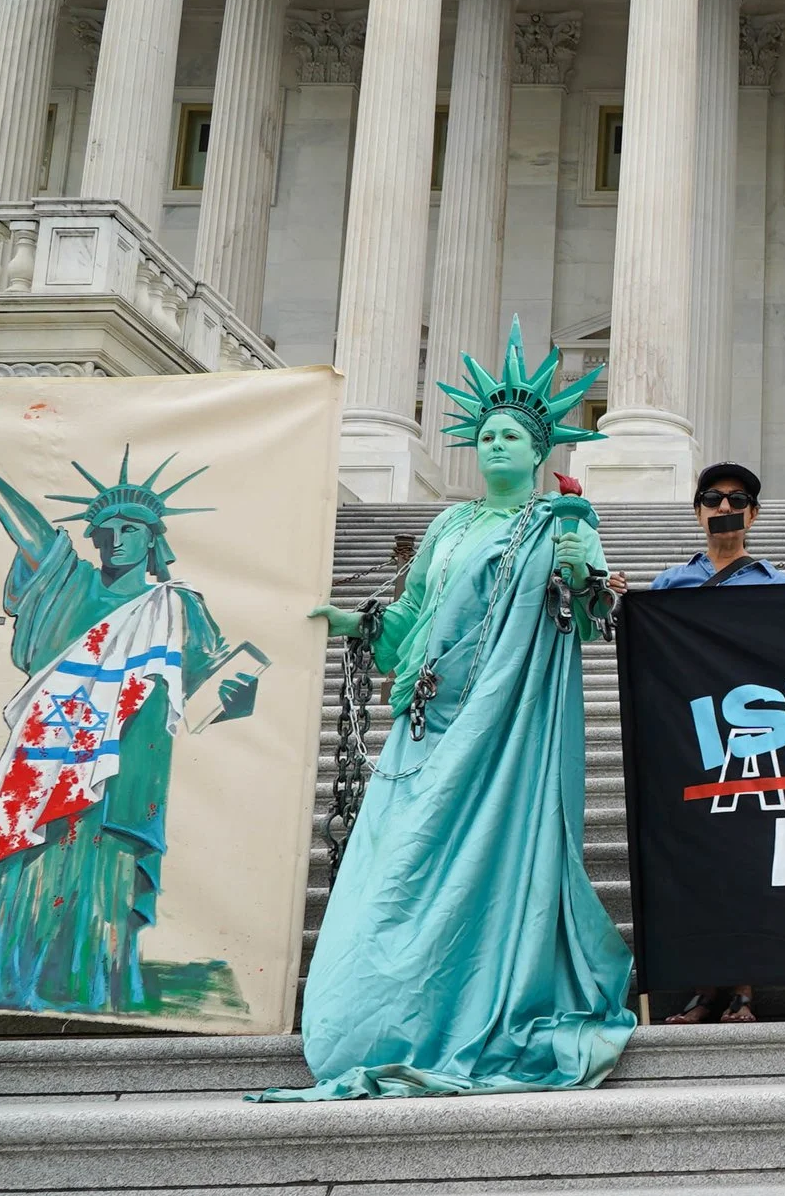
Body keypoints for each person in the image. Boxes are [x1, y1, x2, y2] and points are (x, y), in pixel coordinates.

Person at [256, 322, 635, 1100]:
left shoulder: (563, 521)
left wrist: (579, 560)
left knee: (486, 870)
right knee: (396, 865)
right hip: (426, 725)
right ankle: (373, 1015)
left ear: (539, 452)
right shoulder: (447, 526)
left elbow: (596, 611)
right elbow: (413, 617)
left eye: (512, 436)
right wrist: (358, 623)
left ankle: (471, 1004)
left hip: (506, 732)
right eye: (488, 433)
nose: (496, 445)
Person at [0, 448, 263, 1016]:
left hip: (129, 767)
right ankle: (15, 982)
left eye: (130, 529)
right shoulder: (71, 588)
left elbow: (212, 687)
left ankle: (94, 986)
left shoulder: (177, 607)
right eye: (103, 531)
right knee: (32, 864)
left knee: (105, 874)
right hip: (49, 755)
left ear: (153, 539)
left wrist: (243, 696)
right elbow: (37, 535)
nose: (114, 540)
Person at [609, 461, 785, 1025]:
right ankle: (702, 991)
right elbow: (641, 645)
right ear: (698, 511)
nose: (723, 507)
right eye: (712, 498)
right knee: (694, 868)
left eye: (736, 500)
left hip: (752, 741)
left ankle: (742, 989)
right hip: (686, 742)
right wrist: (623, 604)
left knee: (743, 863)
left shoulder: (774, 586)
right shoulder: (670, 583)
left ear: (753, 515)